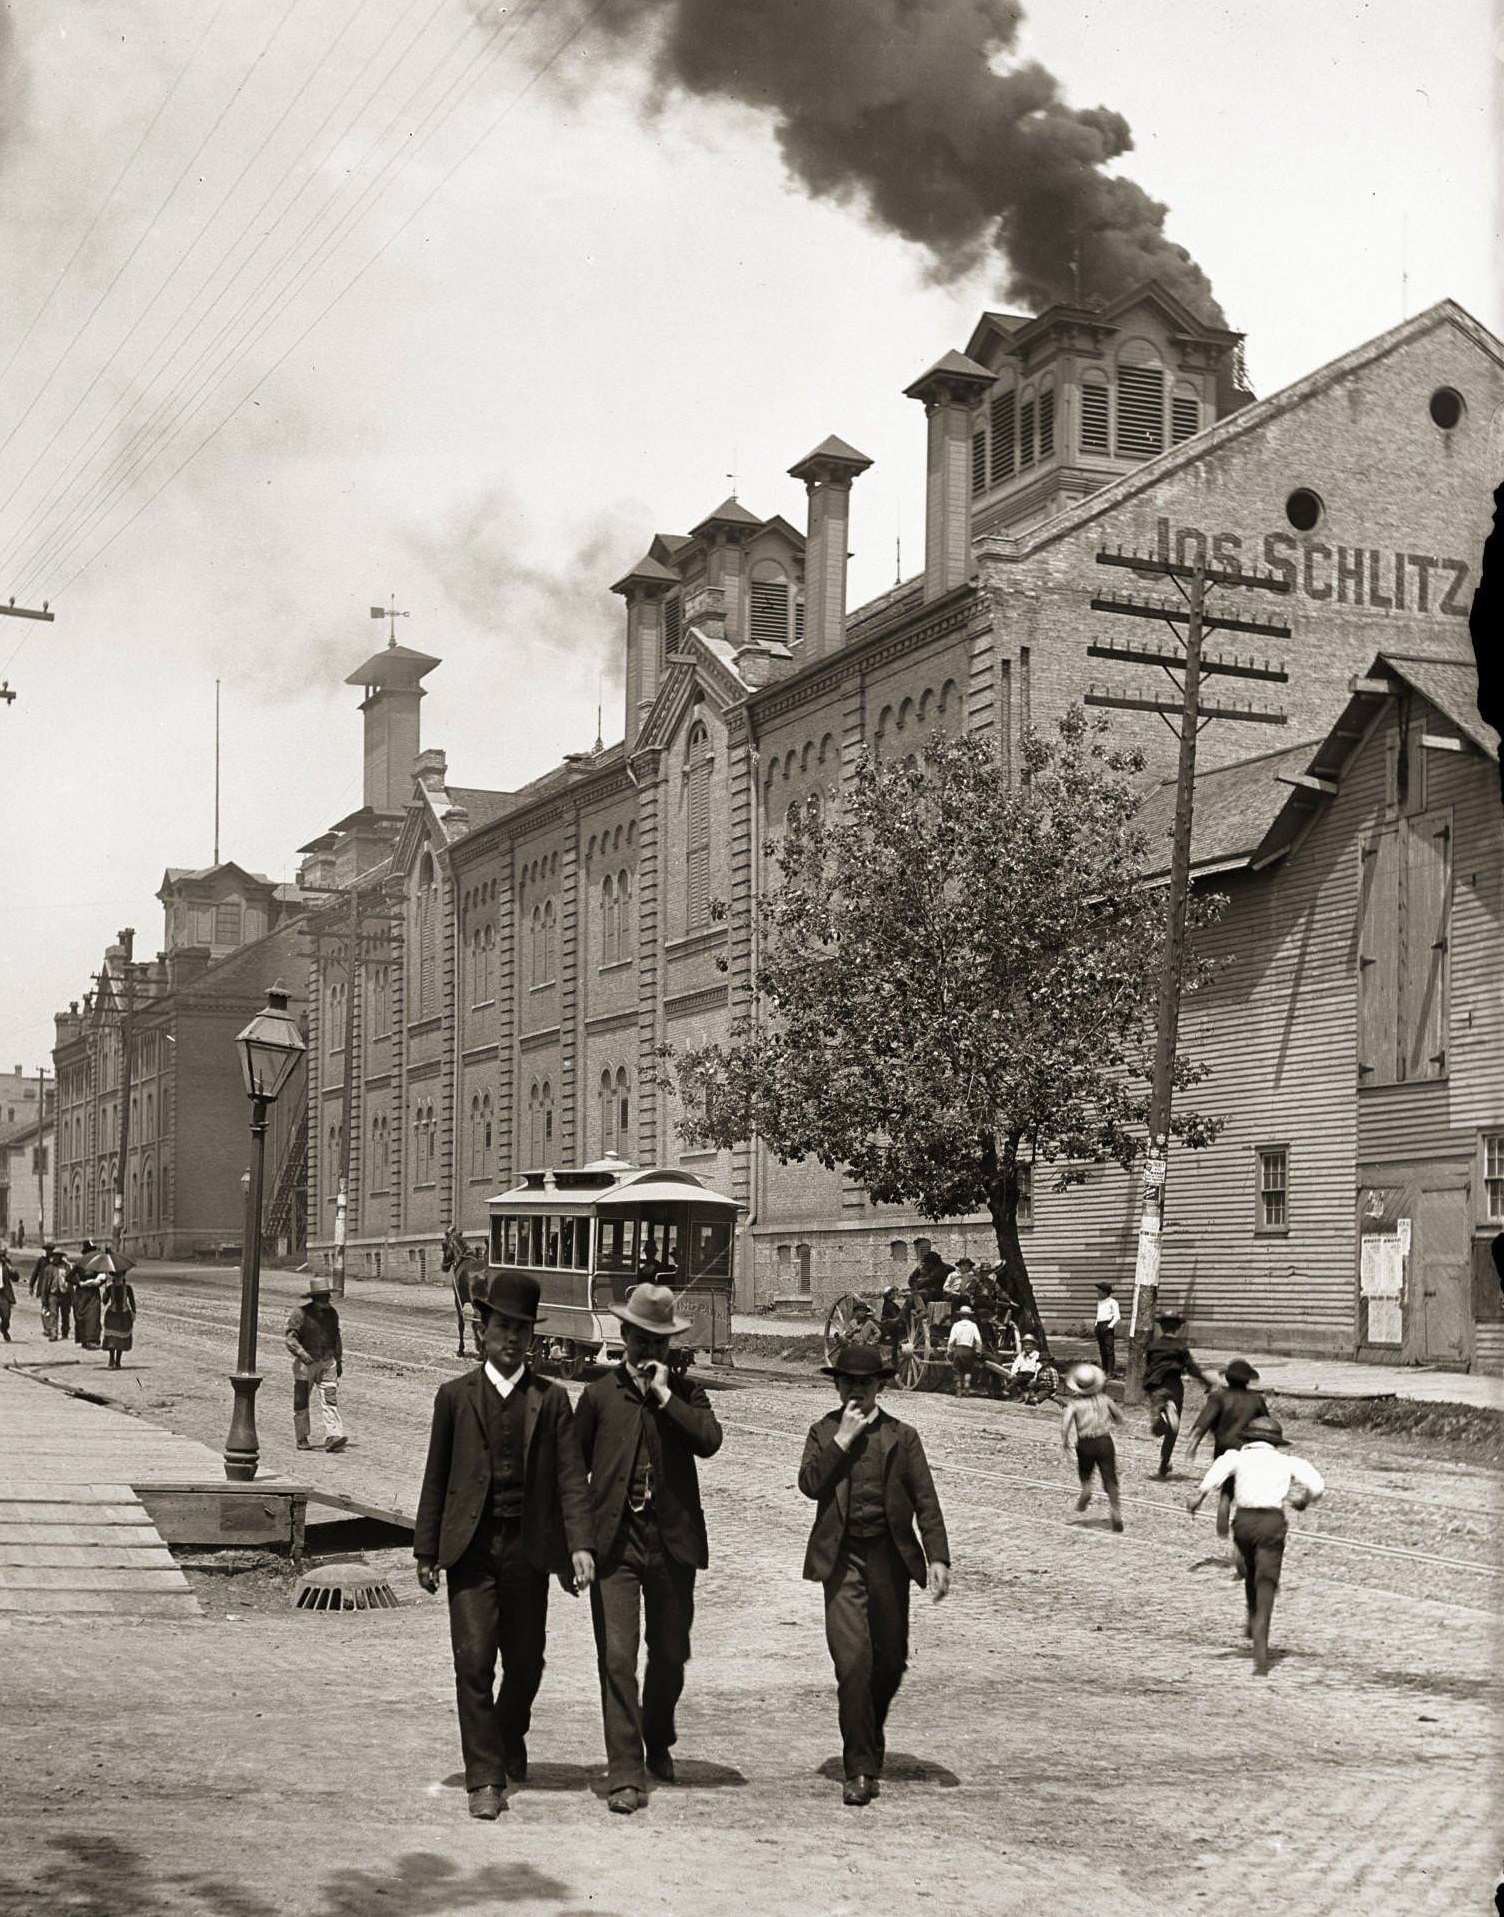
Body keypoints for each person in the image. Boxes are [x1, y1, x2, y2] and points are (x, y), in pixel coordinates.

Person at [414, 1268, 595, 1820]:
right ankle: (485, 1777)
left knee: (526, 1662)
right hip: (470, 1547)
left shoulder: (553, 1399)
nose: (511, 1338)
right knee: (473, 1662)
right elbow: (436, 1474)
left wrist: (580, 1545)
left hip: (528, 1549)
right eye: (501, 1326)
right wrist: (426, 1549)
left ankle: (509, 1731)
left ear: (532, 1336)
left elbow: (570, 1477)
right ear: (483, 1328)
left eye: (521, 1329)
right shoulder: (454, 1397)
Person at [574, 1282, 723, 1815]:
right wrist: (579, 1543)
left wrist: (663, 1396)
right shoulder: (597, 1398)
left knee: (671, 1657)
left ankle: (657, 1735)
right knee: (617, 1657)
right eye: (640, 1342)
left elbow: (709, 1441)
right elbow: (573, 1475)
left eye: (659, 1346)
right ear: (624, 1337)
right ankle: (625, 1773)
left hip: (672, 1547)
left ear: (670, 1349)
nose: (648, 1354)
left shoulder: (688, 1395)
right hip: (616, 1547)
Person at [798, 1342, 950, 1808]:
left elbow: (925, 1498)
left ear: (880, 1386)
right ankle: (859, 1767)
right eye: (847, 1383)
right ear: (837, 1385)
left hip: (889, 1560)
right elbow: (809, 1485)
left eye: (864, 1384)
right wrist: (842, 1440)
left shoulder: (903, 1437)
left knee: (890, 1662)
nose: (855, 1392)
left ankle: (869, 1729)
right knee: (852, 1665)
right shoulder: (823, 1432)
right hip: (841, 1561)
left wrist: (938, 1557)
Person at [1187, 1416, 1324, 1676]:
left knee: (1250, 1569)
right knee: (1267, 1583)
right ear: (1276, 1443)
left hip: (1244, 1524)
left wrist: (1198, 1496)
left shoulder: (1235, 1457)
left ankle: (1251, 1617)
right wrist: (1304, 1500)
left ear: (1248, 1439)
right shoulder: (1288, 1462)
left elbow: (1217, 1473)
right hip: (1272, 1522)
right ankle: (1261, 1657)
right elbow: (1317, 1485)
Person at [1187, 1359, 1271, 1552]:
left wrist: (1193, 1444)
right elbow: (1267, 1423)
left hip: (1223, 1446)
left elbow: (1204, 1421)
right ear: (1248, 1380)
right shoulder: (1256, 1400)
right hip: (1247, 1448)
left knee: (1224, 1479)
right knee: (1244, 1483)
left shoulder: (1219, 1397)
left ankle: (1222, 1507)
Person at [1143, 1311, 1209, 1478]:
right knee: (1173, 1431)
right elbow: (1192, 1368)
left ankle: (1162, 1416)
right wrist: (1207, 1383)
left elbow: (1148, 1368)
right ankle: (1164, 1465)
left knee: (1157, 1430)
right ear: (1178, 1328)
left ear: (1161, 1327)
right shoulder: (1180, 1347)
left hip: (1156, 1387)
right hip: (1174, 1387)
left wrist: (1146, 1388)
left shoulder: (1153, 1346)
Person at [1061, 1362, 1124, 1531]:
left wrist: (1065, 1440)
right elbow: (1119, 1418)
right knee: (1110, 1478)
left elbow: (1065, 1424)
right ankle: (1116, 1510)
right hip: (1104, 1441)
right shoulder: (1105, 1399)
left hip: (1085, 1442)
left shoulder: (1074, 1404)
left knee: (1085, 1473)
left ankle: (1087, 1489)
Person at [285, 1280, 346, 1453]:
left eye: (328, 1296)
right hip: (306, 1365)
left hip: (328, 1362)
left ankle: (334, 1435)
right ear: (315, 1298)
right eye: (323, 1296)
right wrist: (302, 1354)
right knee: (301, 1400)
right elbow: (290, 1338)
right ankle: (302, 1436)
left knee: (330, 1399)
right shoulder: (300, 1313)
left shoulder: (332, 1314)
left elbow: (336, 1338)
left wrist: (339, 1360)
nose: (326, 1299)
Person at [945, 1304, 984, 1396]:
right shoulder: (973, 1326)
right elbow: (978, 1340)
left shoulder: (956, 1325)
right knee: (968, 1369)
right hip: (969, 1350)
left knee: (957, 1369)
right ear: (969, 1315)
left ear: (960, 1315)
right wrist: (978, 1351)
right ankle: (967, 1385)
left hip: (958, 1349)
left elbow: (951, 1340)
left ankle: (958, 1389)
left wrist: (949, 1351)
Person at [101, 1274, 137, 1370]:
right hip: (112, 1315)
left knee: (121, 1339)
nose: (118, 1278)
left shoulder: (128, 1288)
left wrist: (134, 1312)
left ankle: (118, 1361)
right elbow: (105, 1302)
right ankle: (111, 1359)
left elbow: (132, 1301)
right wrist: (104, 1296)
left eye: (120, 1275)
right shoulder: (109, 1288)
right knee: (112, 1338)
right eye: (116, 1276)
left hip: (124, 1315)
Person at [70, 1250, 104, 1350]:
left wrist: (99, 1281)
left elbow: (103, 1277)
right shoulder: (79, 1265)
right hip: (82, 1294)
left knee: (93, 1316)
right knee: (81, 1317)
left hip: (93, 1294)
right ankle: (84, 1340)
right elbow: (69, 1277)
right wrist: (80, 1283)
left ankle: (92, 1340)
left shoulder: (98, 1265)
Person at [1007, 1334, 1046, 1404]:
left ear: (1034, 1346)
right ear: (1023, 1346)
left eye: (1030, 1345)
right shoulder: (1021, 1355)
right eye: (1026, 1345)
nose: (1028, 1346)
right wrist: (1013, 1373)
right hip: (1022, 1374)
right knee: (1015, 1381)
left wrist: (1036, 1377)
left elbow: (1039, 1367)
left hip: (1032, 1375)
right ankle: (1016, 1394)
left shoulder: (1037, 1355)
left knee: (1031, 1387)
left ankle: (1030, 1399)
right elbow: (1016, 1364)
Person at [39, 1252, 69, 1341]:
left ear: (60, 1257)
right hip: (53, 1294)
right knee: (53, 1314)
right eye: (53, 1256)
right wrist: (44, 1298)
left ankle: (65, 1331)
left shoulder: (66, 1267)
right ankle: (53, 1333)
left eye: (57, 1256)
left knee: (65, 1314)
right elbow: (44, 1284)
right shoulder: (49, 1268)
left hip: (65, 1294)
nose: (54, 1258)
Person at [1094, 1283, 1120, 1377]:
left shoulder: (1113, 1302)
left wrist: (1109, 1326)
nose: (1097, 1292)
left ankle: (1110, 1371)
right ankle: (1104, 1369)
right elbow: (1098, 1316)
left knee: (1109, 1349)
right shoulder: (1099, 1302)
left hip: (1107, 1325)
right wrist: (1096, 1325)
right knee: (1102, 1349)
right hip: (1100, 1326)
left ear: (1105, 1292)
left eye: (1099, 1291)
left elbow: (1117, 1316)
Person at [0, 1249, 15, 1342]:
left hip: (4, 1294)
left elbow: (16, 1278)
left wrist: (11, 1268)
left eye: (3, 1256)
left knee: (6, 1316)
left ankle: (4, 1330)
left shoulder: (6, 1266)